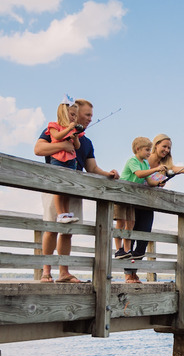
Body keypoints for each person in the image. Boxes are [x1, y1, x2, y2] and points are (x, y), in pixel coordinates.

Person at [34, 98, 120, 283]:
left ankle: (63, 272)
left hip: (74, 186)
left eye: (91, 116)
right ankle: (46, 270)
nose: (89, 119)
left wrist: (108, 174)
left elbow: (92, 168)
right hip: (54, 183)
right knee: (51, 227)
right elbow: (38, 149)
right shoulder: (55, 128)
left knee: (68, 230)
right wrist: (62, 145)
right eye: (87, 115)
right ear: (74, 113)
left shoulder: (86, 142)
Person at [121, 133, 184, 284]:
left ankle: (133, 271)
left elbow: (180, 169)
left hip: (147, 204)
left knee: (143, 239)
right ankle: (127, 273)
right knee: (129, 236)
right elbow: (134, 175)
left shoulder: (165, 166)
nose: (166, 150)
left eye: (169, 148)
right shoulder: (142, 160)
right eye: (164, 146)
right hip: (132, 202)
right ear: (155, 145)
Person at [113, 137, 167, 263]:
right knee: (121, 223)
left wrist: (159, 182)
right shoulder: (132, 161)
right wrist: (156, 169)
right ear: (138, 149)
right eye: (147, 150)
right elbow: (139, 174)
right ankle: (118, 249)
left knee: (130, 224)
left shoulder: (146, 163)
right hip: (122, 195)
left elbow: (148, 180)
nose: (149, 153)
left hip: (132, 199)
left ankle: (127, 251)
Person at [45, 100, 82, 223]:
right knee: (59, 188)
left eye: (75, 115)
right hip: (58, 160)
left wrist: (75, 136)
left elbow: (77, 146)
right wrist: (69, 129)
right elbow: (57, 136)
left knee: (67, 189)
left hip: (71, 161)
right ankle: (60, 213)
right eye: (72, 115)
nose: (74, 118)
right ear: (63, 113)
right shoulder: (53, 126)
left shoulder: (72, 129)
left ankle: (66, 213)